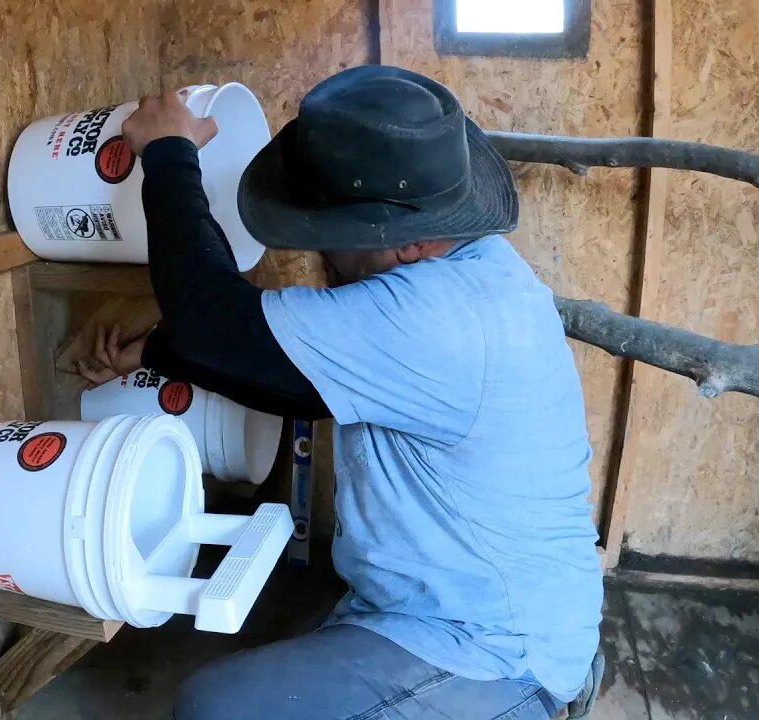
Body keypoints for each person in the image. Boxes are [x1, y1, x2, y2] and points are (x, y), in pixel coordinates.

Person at [79, 66, 604, 720]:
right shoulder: (476, 272)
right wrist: (158, 353)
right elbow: (310, 386)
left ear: (406, 243)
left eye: (329, 232)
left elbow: (209, 317)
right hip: (486, 608)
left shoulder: (437, 318)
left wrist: (167, 152)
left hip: (496, 654)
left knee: (217, 709)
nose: (319, 252)